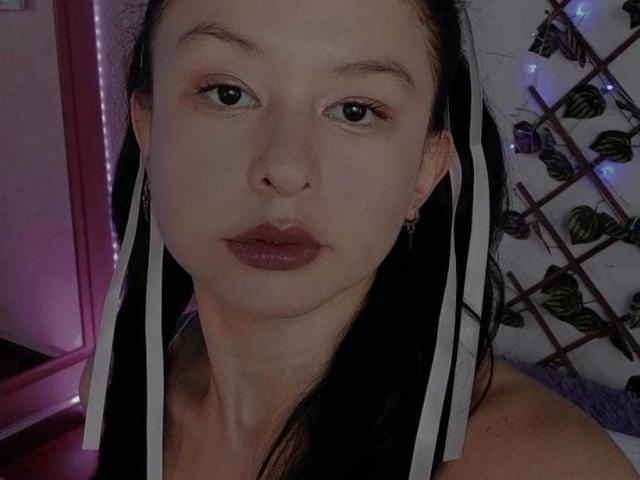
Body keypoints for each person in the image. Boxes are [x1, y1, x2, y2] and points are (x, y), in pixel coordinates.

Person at [79, 0, 640, 478]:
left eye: (354, 111)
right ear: (147, 127)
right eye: (227, 93)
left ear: (426, 169)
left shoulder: (545, 465)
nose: (285, 168)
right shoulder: (116, 392)